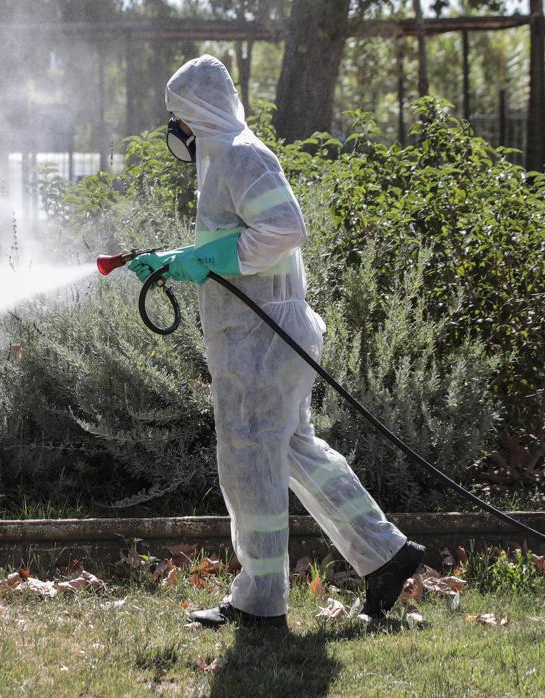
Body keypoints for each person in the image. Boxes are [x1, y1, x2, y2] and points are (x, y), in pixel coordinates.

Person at [129, 55, 424, 628]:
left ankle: (261, 602)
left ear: (199, 111)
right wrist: (176, 261)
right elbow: (238, 237)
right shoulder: (222, 160)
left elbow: (285, 229)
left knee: (250, 459)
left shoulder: (241, 155)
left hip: (261, 340)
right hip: (259, 337)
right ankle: (386, 554)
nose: (175, 129)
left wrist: (201, 260)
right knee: (292, 449)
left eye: (178, 116)